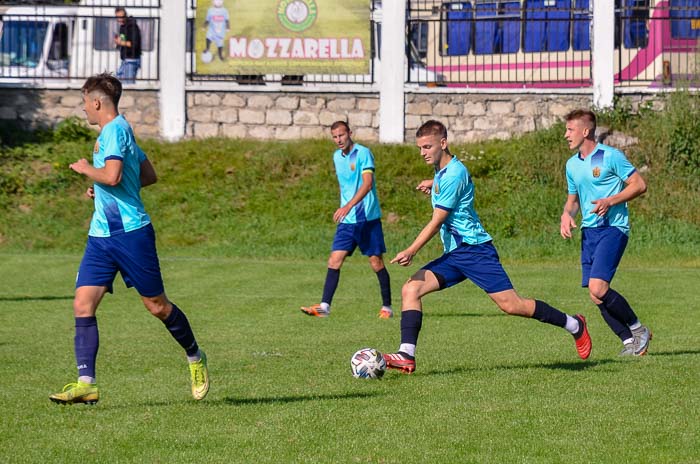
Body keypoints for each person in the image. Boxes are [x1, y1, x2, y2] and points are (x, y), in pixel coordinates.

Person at [382, 120, 592, 374]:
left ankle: (574, 325)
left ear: (443, 143)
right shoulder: (442, 171)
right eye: (420, 148)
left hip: (475, 251)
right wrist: (432, 183)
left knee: (512, 305)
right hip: (456, 254)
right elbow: (449, 188)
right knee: (411, 289)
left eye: (427, 146)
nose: (422, 152)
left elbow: (437, 222)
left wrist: (411, 250)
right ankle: (407, 355)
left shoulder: (454, 173)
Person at [49, 73, 209, 405]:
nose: (84, 110)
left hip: (131, 234)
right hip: (101, 236)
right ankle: (86, 383)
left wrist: (86, 170)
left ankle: (195, 356)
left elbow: (113, 174)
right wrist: (104, 188)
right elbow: (146, 175)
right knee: (83, 303)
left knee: (157, 306)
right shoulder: (119, 132)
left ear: (97, 102)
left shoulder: (116, 131)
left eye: (84, 103)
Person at [561, 109, 651, 356]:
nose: (566, 135)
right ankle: (629, 342)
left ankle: (638, 329)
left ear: (586, 131)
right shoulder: (571, 165)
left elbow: (639, 184)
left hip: (612, 228)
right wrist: (567, 215)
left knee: (599, 288)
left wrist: (610, 201)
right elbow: (573, 200)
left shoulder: (610, 156)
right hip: (589, 232)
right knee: (595, 295)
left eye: (570, 130)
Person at [300, 121, 393, 319]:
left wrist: (348, 205)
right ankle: (324, 307)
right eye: (335, 137)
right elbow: (345, 185)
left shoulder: (363, 153)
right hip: (347, 221)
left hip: (366, 219)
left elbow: (367, 184)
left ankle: (387, 307)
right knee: (334, 260)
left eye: (341, 135)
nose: (338, 140)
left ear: (350, 133)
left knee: (376, 263)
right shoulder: (336, 157)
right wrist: (345, 207)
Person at [114, 7, 142, 84]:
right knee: (118, 82)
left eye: (122, 17)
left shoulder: (132, 27)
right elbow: (124, 40)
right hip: (125, 60)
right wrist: (118, 43)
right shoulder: (122, 27)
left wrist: (121, 43)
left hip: (132, 60)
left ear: (125, 15)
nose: (120, 19)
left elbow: (134, 44)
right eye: (118, 17)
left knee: (128, 85)